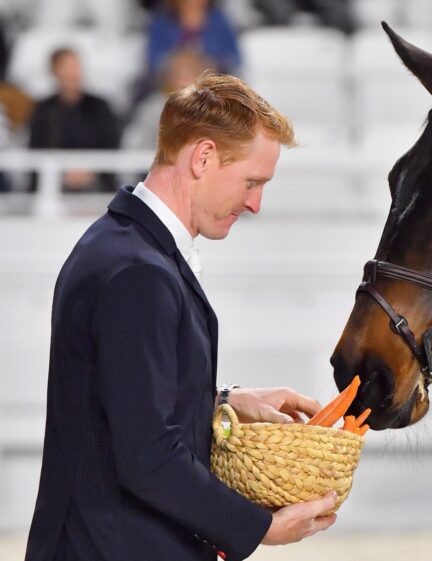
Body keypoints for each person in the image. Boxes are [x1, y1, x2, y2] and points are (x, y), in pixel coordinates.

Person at [25, 72, 337, 561]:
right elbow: (147, 455)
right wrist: (260, 528)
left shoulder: (123, 247)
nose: (255, 203)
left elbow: (122, 400)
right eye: (252, 182)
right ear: (204, 157)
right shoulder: (136, 271)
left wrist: (223, 400)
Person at [28, 47, 121, 192]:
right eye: (67, 67)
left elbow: (111, 143)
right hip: (55, 181)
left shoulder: (99, 106)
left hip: (96, 180)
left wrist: (90, 170)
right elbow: (37, 146)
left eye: (76, 66)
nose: (73, 73)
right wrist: (63, 172)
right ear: (54, 71)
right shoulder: (44, 109)